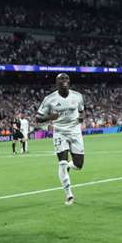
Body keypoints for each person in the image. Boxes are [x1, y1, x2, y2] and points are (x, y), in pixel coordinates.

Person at [36, 74, 85, 206]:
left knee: (79, 165)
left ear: (69, 81)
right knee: (62, 162)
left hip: (75, 132)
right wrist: (49, 117)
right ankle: (69, 194)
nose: (64, 81)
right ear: (56, 83)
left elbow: (81, 111)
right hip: (60, 132)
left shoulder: (78, 96)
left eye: (66, 79)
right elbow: (37, 118)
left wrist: (81, 118)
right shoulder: (49, 99)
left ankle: (69, 166)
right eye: (61, 79)